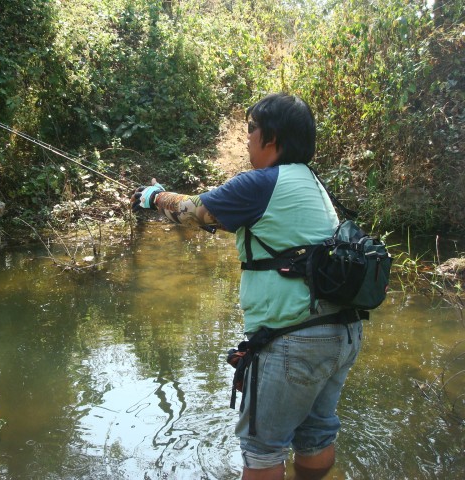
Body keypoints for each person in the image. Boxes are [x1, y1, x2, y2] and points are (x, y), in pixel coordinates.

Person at [131, 93, 362, 480]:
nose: (247, 138)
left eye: (251, 129)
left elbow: (193, 213)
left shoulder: (261, 183)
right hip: (343, 332)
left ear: (272, 137)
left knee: (262, 450)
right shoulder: (312, 181)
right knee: (316, 436)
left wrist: (154, 196)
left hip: (293, 340)